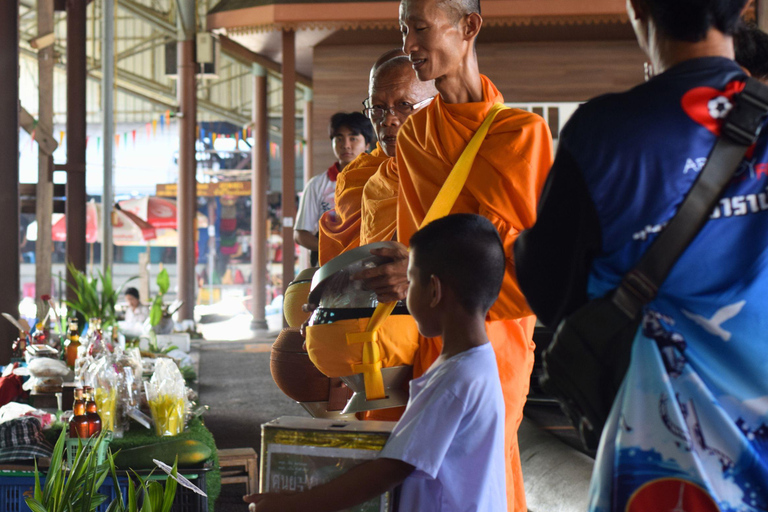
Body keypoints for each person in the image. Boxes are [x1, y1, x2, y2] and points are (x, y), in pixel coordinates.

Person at [514, 0, 768, 509]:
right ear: (743, 8)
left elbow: (548, 288)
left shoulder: (604, 132)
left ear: (636, 8)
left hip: (661, 459)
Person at [354, 1, 553, 509]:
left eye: (420, 29)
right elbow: (410, 248)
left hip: (497, 340)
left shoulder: (523, 135)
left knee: (482, 474)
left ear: (469, 26)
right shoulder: (416, 139)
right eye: (403, 31)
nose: (409, 45)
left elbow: (539, 265)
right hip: (429, 335)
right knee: (422, 476)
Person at [246, 214, 508, 512]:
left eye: (409, 283)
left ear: (433, 291)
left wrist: (293, 505)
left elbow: (389, 469)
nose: (402, 297)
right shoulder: (473, 364)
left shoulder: (453, 382)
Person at [317, 53, 437, 265]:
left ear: (435, 105)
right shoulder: (357, 177)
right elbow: (349, 266)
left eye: (404, 104)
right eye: (378, 107)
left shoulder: (454, 165)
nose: (387, 119)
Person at [294, 112, 373, 266]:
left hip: (369, 262)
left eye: (353, 138)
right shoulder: (317, 184)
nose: (346, 145)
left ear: (367, 144)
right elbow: (301, 234)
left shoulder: (379, 179)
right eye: (339, 138)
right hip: (329, 267)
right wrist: (332, 250)